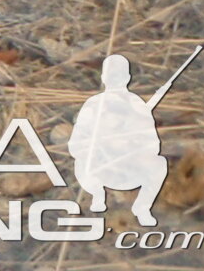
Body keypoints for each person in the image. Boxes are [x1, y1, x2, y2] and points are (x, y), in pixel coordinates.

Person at [70, 54, 170, 224]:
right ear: (104, 77)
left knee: (159, 164)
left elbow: (153, 145)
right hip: (100, 168)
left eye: (119, 75)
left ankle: (142, 207)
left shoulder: (137, 105)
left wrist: (131, 145)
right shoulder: (94, 105)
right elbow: (75, 144)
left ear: (127, 77)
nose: (115, 79)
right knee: (81, 164)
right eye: (111, 75)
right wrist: (98, 146)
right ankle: (98, 195)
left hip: (130, 169)